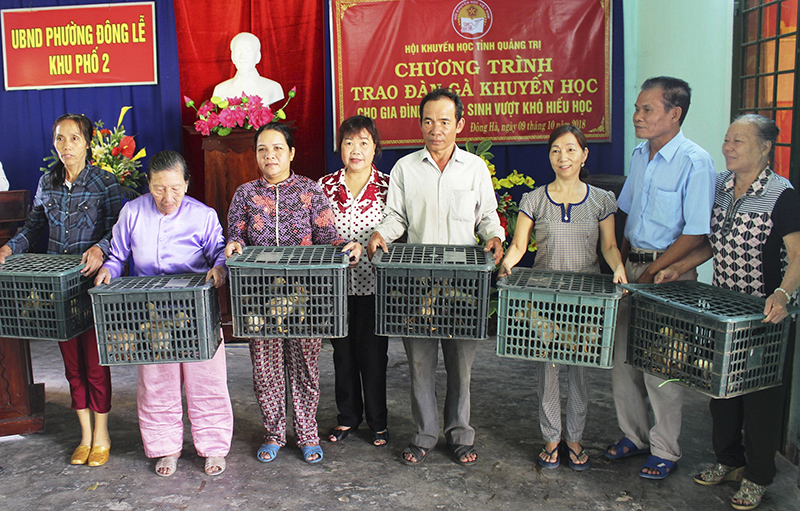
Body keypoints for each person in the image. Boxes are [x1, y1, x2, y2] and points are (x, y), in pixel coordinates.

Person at [654, 114, 800, 510]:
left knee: (760, 399)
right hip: (724, 311)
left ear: (765, 148)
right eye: (727, 139)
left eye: (738, 141)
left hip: (765, 315)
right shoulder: (720, 186)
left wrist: (782, 295)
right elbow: (711, 243)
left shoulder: (781, 195)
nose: (728, 147)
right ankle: (729, 460)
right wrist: (677, 268)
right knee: (721, 390)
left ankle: (758, 474)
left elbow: (797, 255)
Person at [366, 88, 504, 466]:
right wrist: (381, 234)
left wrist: (494, 236)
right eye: (428, 121)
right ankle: (425, 435)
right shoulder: (405, 168)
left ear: (460, 124)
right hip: (418, 281)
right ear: (420, 124)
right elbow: (396, 218)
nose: (435, 129)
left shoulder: (474, 168)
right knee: (420, 364)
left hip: (463, 281)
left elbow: (487, 215)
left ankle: (460, 435)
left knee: (461, 366)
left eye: (444, 121)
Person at [226, 122, 362, 464]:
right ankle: (273, 433)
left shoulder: (310, 191)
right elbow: (236, 236)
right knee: (265, 371)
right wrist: (233, 245)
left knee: (305, 368)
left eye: (277, 148)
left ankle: (306, 433)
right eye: (262, 149)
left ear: (291, 153)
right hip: (259, 297)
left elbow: (327, 235)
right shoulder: (245, 194)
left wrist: (347, 245)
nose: (269, 155)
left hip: (305, 297)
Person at [94, 150, 233, 478]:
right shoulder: (132, 212)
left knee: (206, 379)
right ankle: (165, 447)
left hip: (195, 310)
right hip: (151, 310)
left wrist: (219, 269)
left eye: (175, 188)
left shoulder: (203, 215)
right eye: (159, 189)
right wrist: (108, 271)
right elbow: (117, 255)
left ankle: (213, 445)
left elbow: (219, 253)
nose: (167, 197)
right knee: (157, 381)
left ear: (187, 184)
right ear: (149, 184)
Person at [604, 77, 716, 480]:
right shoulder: (640, 155)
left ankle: (665, 448)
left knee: (662, 365)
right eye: (637, 108)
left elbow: (696, 232)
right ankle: (633, 435)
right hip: (633, 269)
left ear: (674, 113)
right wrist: (620, 263)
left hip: (670, 275)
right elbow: (627, 213)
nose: (637, 116)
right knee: (623, 359)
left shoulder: (695, 161)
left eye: (647, 109)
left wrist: (652, 272)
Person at [498, 124, 627, 471]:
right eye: (555, 150)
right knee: (548, 369)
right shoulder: (534, 199)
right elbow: (519, 245)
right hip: (545, 298)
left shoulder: (601, 200)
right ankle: (552, 437)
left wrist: (617, 267)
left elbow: (609, 246)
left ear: (584, 155)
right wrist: (507, 265)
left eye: (570, 149)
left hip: (586, 298)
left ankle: (575, 437)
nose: (563, 157)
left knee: (580, 371)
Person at [0, 113, 123, 467]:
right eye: (59, 138)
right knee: (72, 366)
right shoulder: (47, 183)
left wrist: (100, 248)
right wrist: (9, 248)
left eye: (74, 138)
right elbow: (33, 227)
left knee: (95, 364)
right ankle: (84, 435)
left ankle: (102, 435)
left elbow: (119, 229)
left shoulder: (105, 182)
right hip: (58, 288)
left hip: (90, 285)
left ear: (88, 143)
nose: (66, 145)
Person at [318, 116, 391, 447]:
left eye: (363, 142)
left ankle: (378, 421)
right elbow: (317, 232)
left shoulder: (388, 187)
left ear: (375, 148)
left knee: (374, 357)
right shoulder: (324, 186)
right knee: (342, 355)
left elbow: (398, 230)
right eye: (349, 142)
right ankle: (347, 417)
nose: (356, 150)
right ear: (340, 147)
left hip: (376, 286)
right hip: (337, 287)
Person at [213, 32, 284, 105]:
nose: (242, 56)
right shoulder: (220, 90)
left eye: (248, 51)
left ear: (258, 56)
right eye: (237, 51)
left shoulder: (273, 88)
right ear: (232, 57)